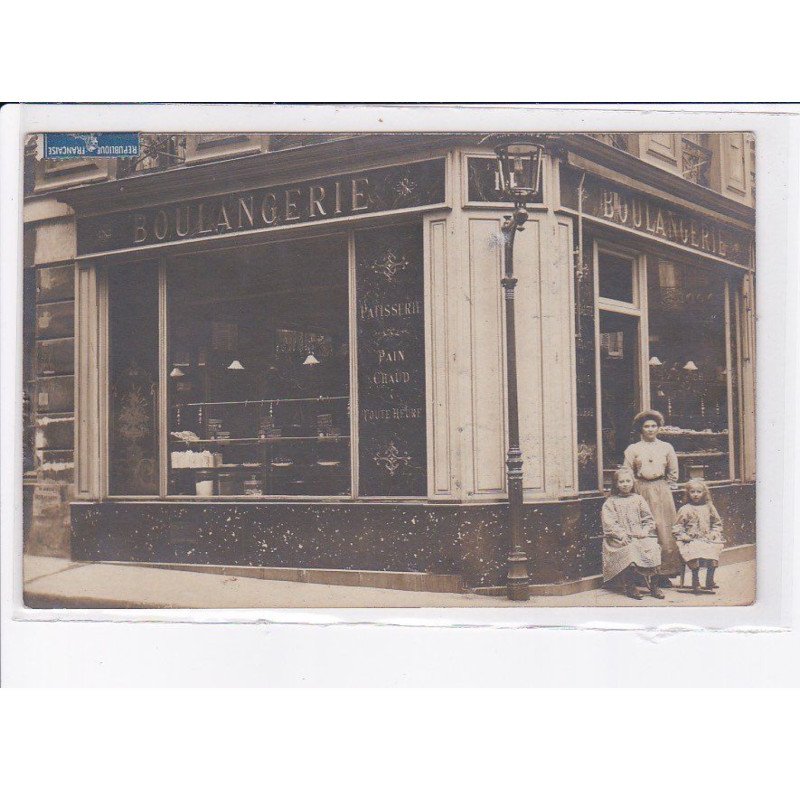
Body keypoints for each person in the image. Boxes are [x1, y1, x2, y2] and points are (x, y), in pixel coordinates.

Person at [623, 409, 682, 583]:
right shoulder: (633, 449)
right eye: (646, 426)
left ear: (658, 428)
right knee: (645, 529)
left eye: (654, 426)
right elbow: (627, 471)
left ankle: (663, 574)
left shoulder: (666, 447)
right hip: (640, 489)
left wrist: (666, 486)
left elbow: (673, 471)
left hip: (661, 489)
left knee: (663, 530)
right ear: (641, 429)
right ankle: (644, 573)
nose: (650, 429)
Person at [601, 467, 663, 600]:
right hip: (618, 538)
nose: (625, 484)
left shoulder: (639, 499)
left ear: (633, 482)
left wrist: (645, 530)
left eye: (628, 481)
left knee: (654, 547)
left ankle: (654, 586)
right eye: (621, 482)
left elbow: (648, 519)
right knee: (631, 549)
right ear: (616, 484)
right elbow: (609, 524)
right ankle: (630, 586)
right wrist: (621, 535)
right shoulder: (610, 502)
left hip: (638, 535)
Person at [673, 479, 725, 594]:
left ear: (704, 493)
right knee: (694, 549)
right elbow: (677, 527)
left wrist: (713, 533)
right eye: (692, 492)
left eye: (699, 491)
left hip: (706, 538)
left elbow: (717, 523)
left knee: (714, 548)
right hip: (690, 540)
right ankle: (695, 581)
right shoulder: (685, 509)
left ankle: (709, 580)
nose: (696, 494)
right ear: (688, 493)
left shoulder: (709, 507)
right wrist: (684, 535)